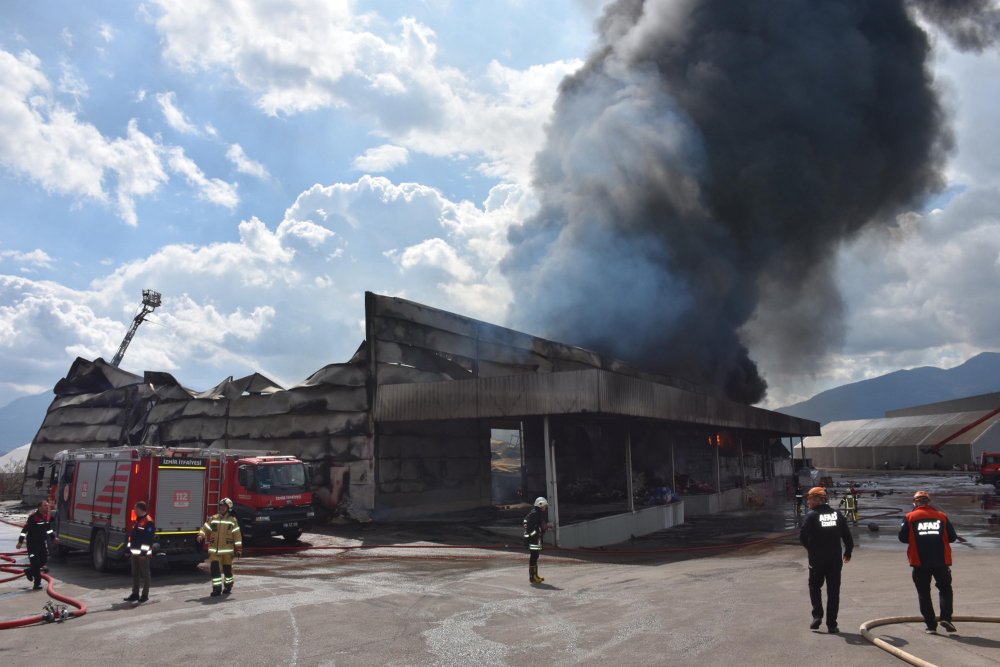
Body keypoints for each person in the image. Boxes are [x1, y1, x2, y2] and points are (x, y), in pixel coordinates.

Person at [898, 490, 958, 634]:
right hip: (941, 561)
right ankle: (946, 618)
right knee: (945, 589)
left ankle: (931, 625)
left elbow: (902, 538)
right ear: (928, 502)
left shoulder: (910, 517)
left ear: (915, 502)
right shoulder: (941, 517)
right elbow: (952, 537)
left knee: (924, 593)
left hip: (920, 562)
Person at [799, 486, 853, 633]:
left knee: (815, 587)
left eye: (810, 499)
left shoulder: (812, 516)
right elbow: (847, 536)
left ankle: (817, 615)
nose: (808, 502)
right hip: (835, 560)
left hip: (817, 560)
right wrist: (848, 552)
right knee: (833, 592)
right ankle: (832, 624)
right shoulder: (837, 515)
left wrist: (810, 548)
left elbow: (802, 536)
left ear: (818, 499)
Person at [198, 497, 243, 596]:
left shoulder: (232, 521)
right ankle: (217, 589)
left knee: (227, 570)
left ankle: (228, 585)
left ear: (229, 508)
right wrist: (201, 534)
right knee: (214, 569)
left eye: (224, 506)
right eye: (221, 506)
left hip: (227, 551)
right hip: (214, 551)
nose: (222, 508)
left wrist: (239, 548)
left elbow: (237, 535)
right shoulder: (213, 518)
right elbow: (205, 528)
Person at [16, 499, 54, 590]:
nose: (47, 507)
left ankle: (29, 571)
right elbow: (24, 530)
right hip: (32, 544)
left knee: (43, 561)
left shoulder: (46, 517)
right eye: (45, 505)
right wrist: (20, 542)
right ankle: (37, 584)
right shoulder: (33, 517)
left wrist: (53, 538)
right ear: (40, 507)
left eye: (47, 505)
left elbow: (48, 529)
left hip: (41, 543)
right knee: (35, 564)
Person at [123, 501, 156, 603]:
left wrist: (143, 553)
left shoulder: (148, 522)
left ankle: (144, 595)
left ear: (140, 509)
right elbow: (132, 538)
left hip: (143, 555)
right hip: (134, 553)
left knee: (145, 574)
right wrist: (128, 549)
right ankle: (135, 594)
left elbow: (148, 540)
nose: (134, 510)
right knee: (135, 574)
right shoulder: (138, 520)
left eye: (135, 509)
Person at [523, 497, 549, 584]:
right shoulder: (535, 514)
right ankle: (532, 577)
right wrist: (537, 533)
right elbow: (530, 529)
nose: (545, 508)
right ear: (540, 505)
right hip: (533, 540)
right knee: (533, 557)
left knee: (535, 557)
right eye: (544, 506)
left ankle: (535, 575)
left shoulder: (537, 513)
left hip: (535, 540)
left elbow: (527, 522)